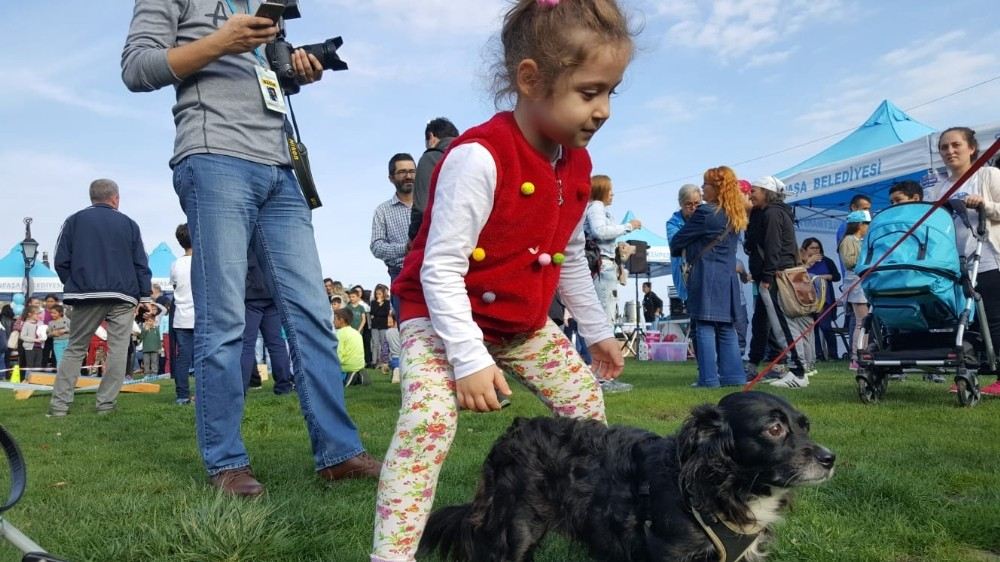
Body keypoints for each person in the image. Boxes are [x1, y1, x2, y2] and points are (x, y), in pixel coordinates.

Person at [373, 1, 633, 559]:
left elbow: (564, 255)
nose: (605, 109)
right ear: (531, 79)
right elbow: (440, 268)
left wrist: (598, 328)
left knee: (586, 405)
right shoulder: (478, 158)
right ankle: (391, 555)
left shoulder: (579, 165)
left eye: (613, 91)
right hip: (443, 318)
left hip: (521, 322)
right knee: (428, 422)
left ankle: (584, 520)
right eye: (590, 92)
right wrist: (467, 358)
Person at [123, 0, 380, 495]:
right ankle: (226, 462)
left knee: (312, 315)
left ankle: (339, 453)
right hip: (214, 156)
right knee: (224, 319)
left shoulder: (265, 4)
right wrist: (223, 40)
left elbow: (263, 77)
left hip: (281, 169)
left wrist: (296, 71)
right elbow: (137, 68)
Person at [48, 179, 154, 417]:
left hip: (86, 292)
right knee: (117, 349)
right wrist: (144, 295)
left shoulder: (74, 221)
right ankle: (106, 405)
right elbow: (141, 262)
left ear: (91, 197)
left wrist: (74, 283)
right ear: (115, 198)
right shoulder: (129, 224)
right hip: (122, 293)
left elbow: (60, 260)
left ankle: (59, 407)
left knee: (75, 347)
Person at [932, 127, 1000, 396]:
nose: (950, 151)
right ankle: (969, 372)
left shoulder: (989, 175)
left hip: (989, 258)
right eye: (944, 148)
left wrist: (984, 204)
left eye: (955, 145)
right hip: (955, 264)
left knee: (995, 318)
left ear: (972, 148)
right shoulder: (941, 187)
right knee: (965, 320)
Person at [670, 166, 748, 387]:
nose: (702, 189)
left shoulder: (706, 213)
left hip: (706, 274)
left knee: (703, 325)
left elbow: (677, 241)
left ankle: (709, 378)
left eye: (706, 184)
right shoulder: (734, 213)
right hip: (727, 276)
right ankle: (733, 376)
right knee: (726, 327)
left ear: (717, 188)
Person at [745, 176, 811, 388]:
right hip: (774, 274)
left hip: (775, 276)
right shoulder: (770, 212)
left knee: (783, 324)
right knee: (774, 323)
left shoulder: (772, 213)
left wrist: (767, 275)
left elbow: (773, 245)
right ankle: (794, 368)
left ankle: (799, 372)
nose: (751, 194)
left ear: (766, 192)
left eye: (754, 190)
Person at [585, 174, 640, 323]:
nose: (612, 194)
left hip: (602, 265)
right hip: (603, 265)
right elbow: (600, 231)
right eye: (610, 190)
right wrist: (629, 226)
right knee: (605, 317)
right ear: (601, 190)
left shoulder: (596, 208)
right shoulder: (596, 206)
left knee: (603, 314)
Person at [241, 248, 294, 394]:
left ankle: (242, 387)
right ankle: (284, 385)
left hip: (251, 296)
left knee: (246, 344)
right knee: (276, 343)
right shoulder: (270, 241)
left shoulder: (246, 242)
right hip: (271, 294)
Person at [371, 153, 416, 317]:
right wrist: (404, 248)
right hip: (401, 274)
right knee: (408, 328)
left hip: (434, 270)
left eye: (412, 171)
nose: (408, 176)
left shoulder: (432, 203)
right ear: (391, 178)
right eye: (402, 172)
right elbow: (376, 246)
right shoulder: (382, 211)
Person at [409, 118, 460, 241]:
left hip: (439, 240)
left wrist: (412, 237)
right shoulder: (471, 154)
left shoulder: (431, 157)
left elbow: (422, 207)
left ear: (431, 136)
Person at [838, 210, 871, 371]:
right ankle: (856, 357)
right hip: (855, 283)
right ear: (859, 224)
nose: (868, 227)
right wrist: (868, 259)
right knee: (861, 322)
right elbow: (850, 262)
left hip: (863, 283)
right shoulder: (849, 240)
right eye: (867, 224)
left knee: (865, 322)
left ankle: (863, 353)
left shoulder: (860, 240)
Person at [801, 238, 841, 361]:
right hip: (807, 299)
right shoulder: (800, 262)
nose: (815, 250)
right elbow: (798, 276)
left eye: (817, 247)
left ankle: (833, 354)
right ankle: (818, 355)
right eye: (812, 248)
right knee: (813, 328)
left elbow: (837, 276)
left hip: (825, 299)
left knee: (826, 327)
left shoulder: (827, 261)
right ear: (805, 249)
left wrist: (827, 276)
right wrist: (808, 264)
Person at [170, 223, 195, 405]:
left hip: (181, 317)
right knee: (205, 358)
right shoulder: (203, 261)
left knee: (183, 359)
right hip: (201, 316)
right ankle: (205, 392)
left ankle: (182, 395)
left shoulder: (176, 264)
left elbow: (174, 287)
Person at [666, 184, 703, 306]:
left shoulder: (706, 217)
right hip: (686, 278)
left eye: (697, 203)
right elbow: (676, 243)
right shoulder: (673, 223)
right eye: (689, 204)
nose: (693, 207)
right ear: (681, 204)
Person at [369, 284, 401, 383]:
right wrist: (378, 307)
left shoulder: (387, 303)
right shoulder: (373, 302)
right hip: (375, 326)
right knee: (375, 343)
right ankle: (375, 362)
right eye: (377, 293)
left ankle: (388, 364)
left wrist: (385, 362)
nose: (378, 295)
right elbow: (373, 312)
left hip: (383, 326)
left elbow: (383, 313)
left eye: (380, 293)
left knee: (384, 344)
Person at [333, 308, 366, 387]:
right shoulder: (356, 332)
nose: (333, 322)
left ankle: (349, 377)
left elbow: (338, 353)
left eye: (335, 319)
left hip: (347, 366)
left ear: (341, 320)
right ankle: (358, 375)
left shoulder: (340, 333)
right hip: (359, 365)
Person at [19, 305, 46, 370]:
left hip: (40, 347)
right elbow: (22, 336)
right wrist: (35, 340)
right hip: (30, 348)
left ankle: (36, 379)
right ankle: (28, 379)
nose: (39, 315)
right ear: (30, 314)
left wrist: (44, 336)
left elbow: (43, 334)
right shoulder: (26, 324)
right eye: (37, 314)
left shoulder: (40, 324)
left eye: (39, 313)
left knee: (38, 365)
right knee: (30, 365)